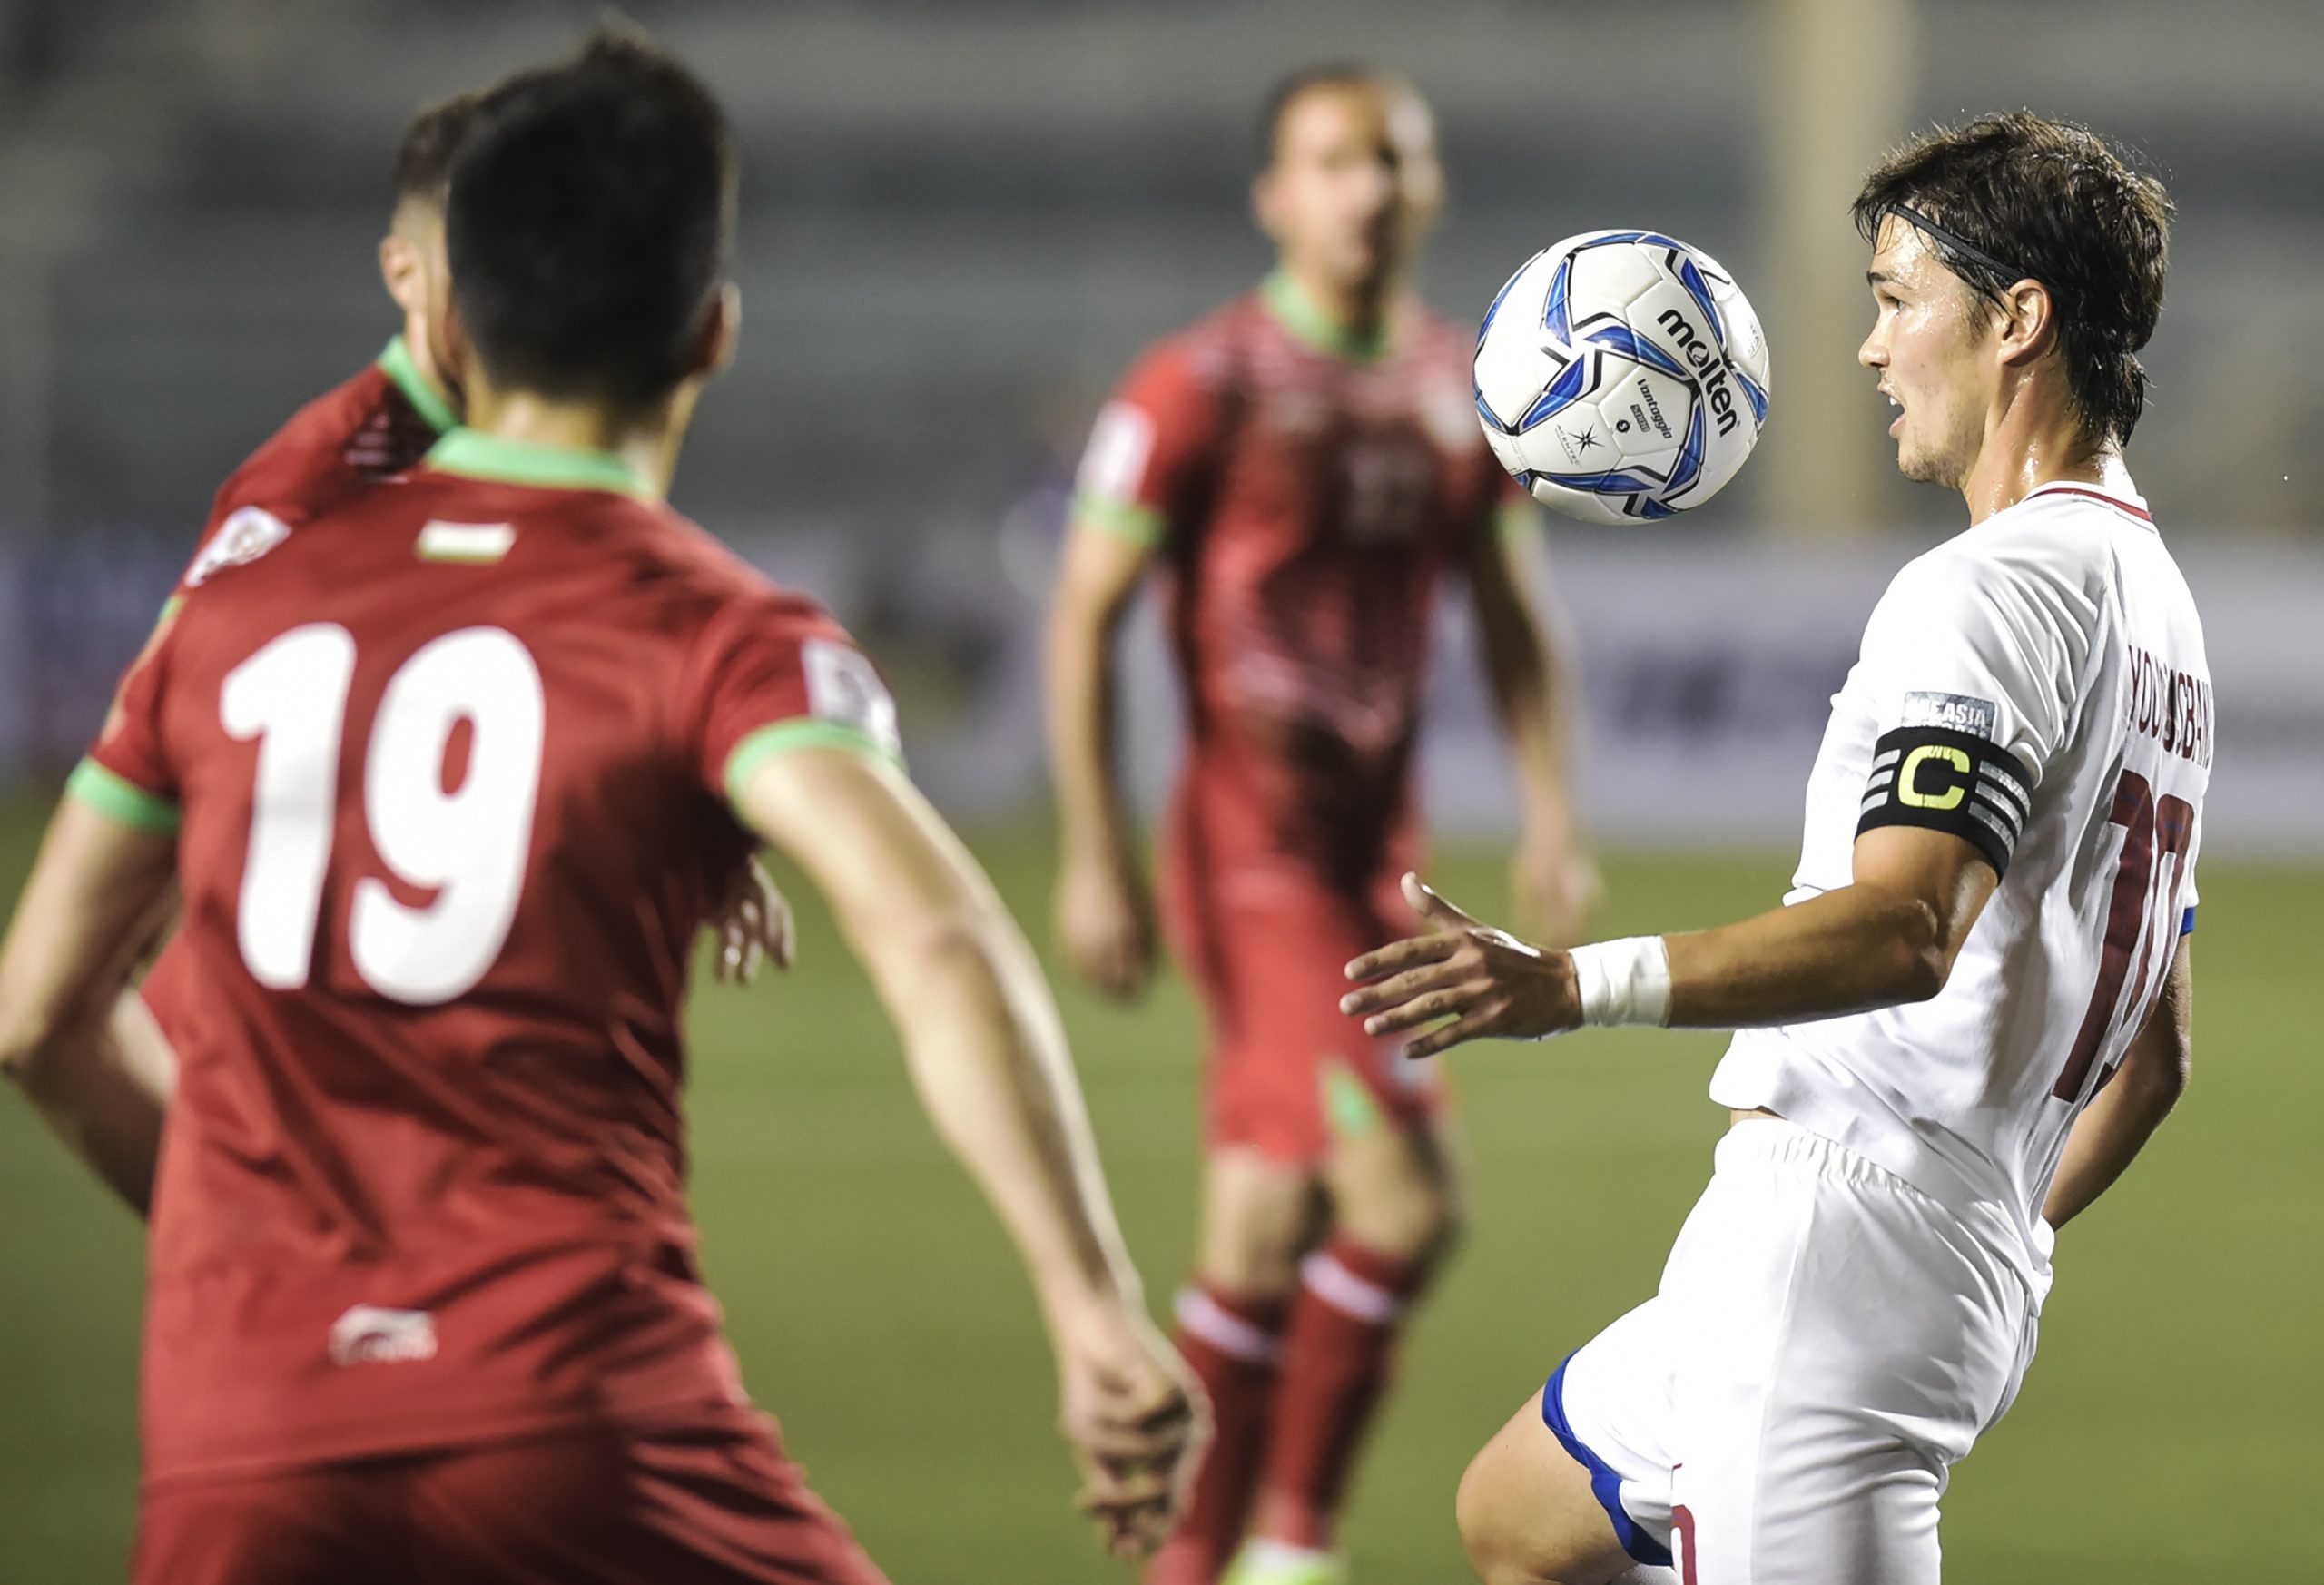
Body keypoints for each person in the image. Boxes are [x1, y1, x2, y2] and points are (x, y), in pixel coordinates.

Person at [0, 32, 1192, 1584]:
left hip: (243, 1433)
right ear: (713, 334)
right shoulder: (716, 634)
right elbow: (939, 942)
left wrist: (280, 1280)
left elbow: (35, 1016)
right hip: (571, 1415)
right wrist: (1091, 1299)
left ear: (447, 306)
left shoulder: (234, 609)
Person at [1343, 113, 2200, 1585]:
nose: (1872, 350)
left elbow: (1904, 928)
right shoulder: (2155, 602)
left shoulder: (1991, 593)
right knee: (1518, 1516)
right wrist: (1991, 1236)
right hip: (1912, 1245)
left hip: (1836, 1254)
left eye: (1895, 298)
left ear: (2018, 319)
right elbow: (2158, 1053)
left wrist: (1568, 984)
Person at [1048, 62, 1594, 1585]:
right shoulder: (1201, 385)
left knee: (1264, 1225)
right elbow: (1083, 611)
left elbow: (1510, 615)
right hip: (1250, 857)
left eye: (1392, 163)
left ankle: (1191, 1557)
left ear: (1428, 190)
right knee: (1410, 1203)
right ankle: (1293, 1547)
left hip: (1377, 863)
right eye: (1335, 161)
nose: (1367, 189)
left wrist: (1552, 809)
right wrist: (1095, 854)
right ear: (1276, 195)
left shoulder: (1454, 388)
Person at [133, 83, 793, 1068]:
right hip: (276, 1037)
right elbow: (164, 737)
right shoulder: (316, 481)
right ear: (404, 274)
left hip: (403, 1010)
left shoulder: (504, 444)